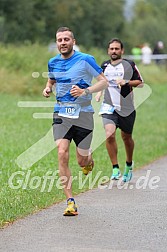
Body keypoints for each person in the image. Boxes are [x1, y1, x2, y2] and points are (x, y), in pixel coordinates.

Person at [42, 27, 108, 216]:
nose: (62, 43)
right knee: (62, 152)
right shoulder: (52, 62)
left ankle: (88, 159)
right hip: (61, 113)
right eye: (59, 40)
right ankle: (70, 201)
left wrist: (85, 91)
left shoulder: (85, 59)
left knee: (82, 160)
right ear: (56, 43)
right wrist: (47, 89)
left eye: (66, 39)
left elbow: (103, 82)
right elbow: (51, 81)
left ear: (73, 41)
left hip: (83, 115)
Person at [95, 38, 143, 182]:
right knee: (109, 135)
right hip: (109, 105)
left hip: (126, 108)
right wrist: (99, 92)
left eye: (117, 49)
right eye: (111, 49)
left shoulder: (129, 65)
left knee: (126, 138)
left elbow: (140, 83)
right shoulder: (104, 65)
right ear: (108, 51)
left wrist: (126, 82)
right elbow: (101, 81)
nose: (114, 51)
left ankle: (129, 164)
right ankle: (115, 168)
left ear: (122, 51)